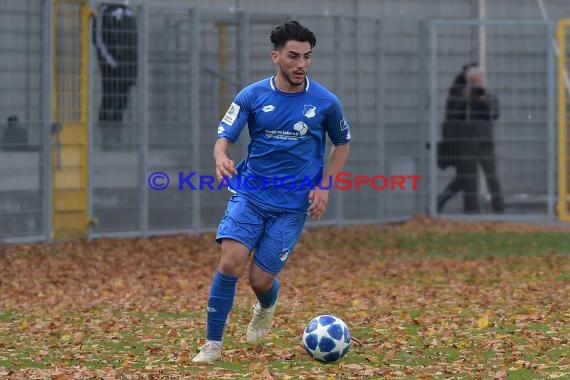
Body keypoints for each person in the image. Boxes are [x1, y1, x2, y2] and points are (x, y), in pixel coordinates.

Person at [192, 20, 351, 363]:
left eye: (307, 57)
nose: (301, 65)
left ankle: (266, 305)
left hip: (291, 205)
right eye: (293, 56)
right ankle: (212, 345)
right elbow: (224, 138)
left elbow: (342, 144)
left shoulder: (325, 101)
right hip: (249, 195)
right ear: (275, 56)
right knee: (230, 262)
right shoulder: (252, 95)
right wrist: (221, 157)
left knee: (260, 279)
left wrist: (325, 185)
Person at [437, 63, 504, 213]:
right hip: (466, 143)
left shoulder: (489, 96)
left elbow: (494, 114)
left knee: (491, 177)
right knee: (468, 179)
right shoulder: (459, 96)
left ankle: (499, 210)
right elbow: (452, 115)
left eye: (480, 79)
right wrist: (465, 99)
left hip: (485, 142)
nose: (478, 83)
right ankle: (471, 211)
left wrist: (482, 100)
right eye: (475, 80)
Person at [92, 2, 138, 150]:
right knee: (109, 100)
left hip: (128, 68)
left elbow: (135, 41)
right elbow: (98, 39)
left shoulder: (129, 12)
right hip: (111, 68)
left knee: (122, 104)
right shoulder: (104, 11)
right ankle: (106, 140)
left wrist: (132, 65)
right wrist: (111, 62)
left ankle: (117, 139)